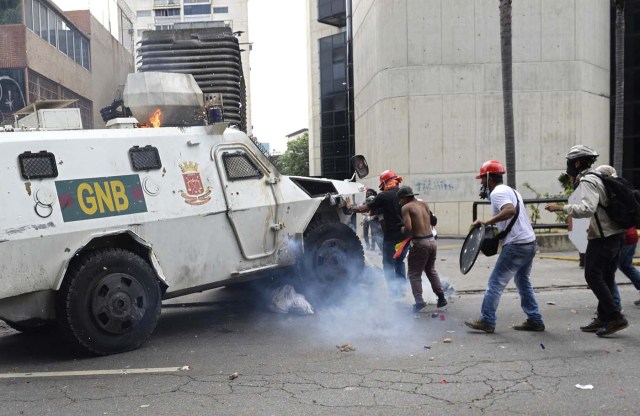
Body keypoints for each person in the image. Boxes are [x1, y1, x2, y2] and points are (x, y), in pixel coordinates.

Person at [545, 146, 627, 337]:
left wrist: (561, 208)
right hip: (615, 235)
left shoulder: (589, 180)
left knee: (592, 275)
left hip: (603, 237)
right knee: (606, 276)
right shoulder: (599, 177)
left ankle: (615, 317)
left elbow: (587, 209)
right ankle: (604, 317)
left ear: (577, 163)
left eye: (569, 163)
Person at [465, 160, 544, 333]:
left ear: (489, 178)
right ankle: (535, 319)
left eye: (482, 180)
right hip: (529, 243)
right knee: (522, 281)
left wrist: (486, 222)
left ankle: (487, 320)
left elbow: (509, 211)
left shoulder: (497, 193)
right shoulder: (511, 190)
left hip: (516, 245)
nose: (481, 184)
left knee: (495, 282)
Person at [346, 170, 410, 298]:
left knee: (387, 265)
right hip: (406, 237)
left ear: (384, 183)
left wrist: (350, 207)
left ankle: (394, 292)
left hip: (392, 237)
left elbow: (366, 208)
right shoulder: (405, 194)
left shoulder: (384, 196)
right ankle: (402, 290)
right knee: (399, 262)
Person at [593, 165, 640, 308]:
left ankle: (615, 304)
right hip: (630, 234)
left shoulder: (611, 190)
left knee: (607, 270)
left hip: (621, 235)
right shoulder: (622, 187)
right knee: (625, 265)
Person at [397, 186, 447, 311]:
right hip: (431, 241)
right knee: (431, 270)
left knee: (414, 274)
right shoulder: (424, 203)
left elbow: (408, 228)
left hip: (420, 243)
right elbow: (431, 220)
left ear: (406, 198)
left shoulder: (406, 208)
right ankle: (441, 297)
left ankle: (419, 302)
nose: (400, 202)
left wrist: (401, 229)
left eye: (401, 199)